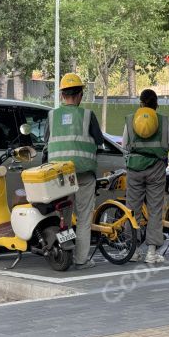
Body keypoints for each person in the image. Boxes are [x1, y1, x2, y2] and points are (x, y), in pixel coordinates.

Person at [44, 73, 103, 270]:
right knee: (84, 218)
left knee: (64, 218)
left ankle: (65, 251)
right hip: (85, 175)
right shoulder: (87, 116)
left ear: (62, 95)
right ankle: (81, 259)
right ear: (80, 95)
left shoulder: (52, 116)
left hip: (61, 176)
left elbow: (46, 142)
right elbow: (99, 142)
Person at [122, 89, 169, 264]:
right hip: (156, 168)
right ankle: (151, 253)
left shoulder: (131, 119)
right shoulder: (165, 120)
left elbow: (124, 144)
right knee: (155, 209)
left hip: (134, 168)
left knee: (132, 208)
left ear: (141, 103)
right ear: (156, 103)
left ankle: (133, 250)